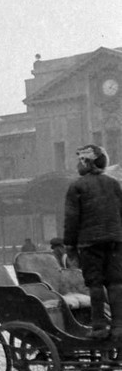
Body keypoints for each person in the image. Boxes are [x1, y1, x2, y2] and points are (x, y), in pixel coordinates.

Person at [63, 144, 122, 340]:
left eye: (80, 160)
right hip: (115, 241)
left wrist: (69, 246)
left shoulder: (77, 186)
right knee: (115, 284)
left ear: (86, 163)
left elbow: (72, 219)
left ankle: (99, 327)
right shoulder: (114, 184)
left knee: (95, 284)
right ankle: (119, 327)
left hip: (90, 243)